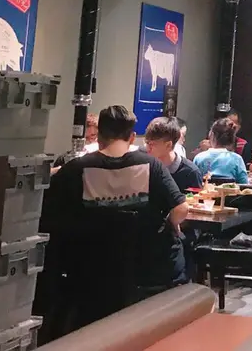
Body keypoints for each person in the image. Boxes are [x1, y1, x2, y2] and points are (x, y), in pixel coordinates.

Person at [39, 106, 189, 334]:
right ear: (132, 137)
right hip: (142, 269)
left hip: (88, 269)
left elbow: (49, 208)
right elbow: (181, 208)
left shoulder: (78, 167)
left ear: (99, 136)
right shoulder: (151, 165)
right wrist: (171, 222)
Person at [145, 116, 203, 191]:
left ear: (168, 145)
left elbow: (196, 198)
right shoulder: (144, 167)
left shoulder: (191, 173)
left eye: (152, 144)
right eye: (146, 143)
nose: (147, 148)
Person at [193, 117, 249, 183]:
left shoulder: (199, 158)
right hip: (229, 190)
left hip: (205, 189)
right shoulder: (237, 159)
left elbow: (194, 183)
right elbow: (244, 185)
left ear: (212, 135)